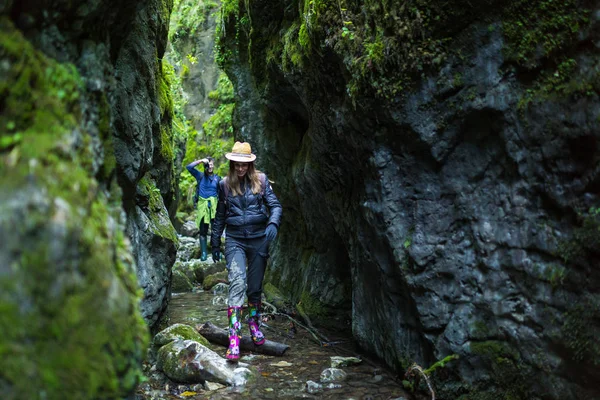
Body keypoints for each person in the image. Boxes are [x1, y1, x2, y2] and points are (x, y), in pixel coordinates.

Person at [211, 141, 282, 361]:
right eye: (237, 164)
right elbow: (220, 215)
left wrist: (273, 223)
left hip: (259, 239)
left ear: (250, 165)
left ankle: (254, 326)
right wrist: (215, 240)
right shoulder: (223, 184)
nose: (240, 168)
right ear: (232, 164)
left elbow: (276, 206)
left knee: (254, 287)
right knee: (237, 283)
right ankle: (234, 338)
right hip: (235, 240)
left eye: (244, 165)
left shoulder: (261, 181)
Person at [186, 156, 221, 261]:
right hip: (202, 207)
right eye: (207, 164)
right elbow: (189, 167)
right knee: (203, 231)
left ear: (213, 165)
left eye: (211, 164)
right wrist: (201, 161)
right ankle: (204, 253)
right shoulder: (200, 176)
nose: (209, 166)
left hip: (215, 208)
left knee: (216, 231)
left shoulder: (217, 179)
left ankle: (216, 252)